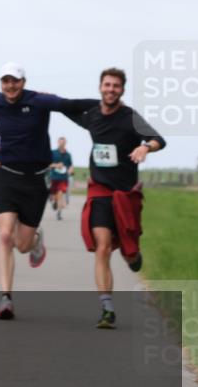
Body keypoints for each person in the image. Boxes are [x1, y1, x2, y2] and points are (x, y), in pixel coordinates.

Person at [0, 63, 98, 320]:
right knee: (5, 236)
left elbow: (70, 105)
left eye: (15, 81)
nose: (10, 86)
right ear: (0, 83)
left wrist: (106, 104)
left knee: (22, 245)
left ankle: (35, 240)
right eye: (5, 81)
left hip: (35, 182)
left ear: (23, 81)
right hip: (7, 177)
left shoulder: (39, 101)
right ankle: (5, 298)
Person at [63, 68, 165, 329]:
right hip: (100, 190)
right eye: (107, 85)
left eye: (116, 86)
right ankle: (107, 308)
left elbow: (158, 139)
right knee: (103, 247)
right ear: (100, 87)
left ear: (122, 90)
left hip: (125, 194)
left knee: (129, 253)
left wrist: (144, 146)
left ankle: (133, 257)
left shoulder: (129, 117)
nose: (111, 89)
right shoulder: (93, 116)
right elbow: (65, 106)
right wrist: (41, 99)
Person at [49, 137, 74, 220]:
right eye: (60, 142)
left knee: (60, 195)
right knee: (54, 196)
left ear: (65, 143)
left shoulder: (68, 155)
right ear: (58, 142)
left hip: (63, 178)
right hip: (53, 177)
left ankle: (59, 213)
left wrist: (70, 170)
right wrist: (56, 165)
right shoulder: (53, 153)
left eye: (63, 142)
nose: (61, 144)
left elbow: (70, 165)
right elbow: (48, 164)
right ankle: (54, 202)